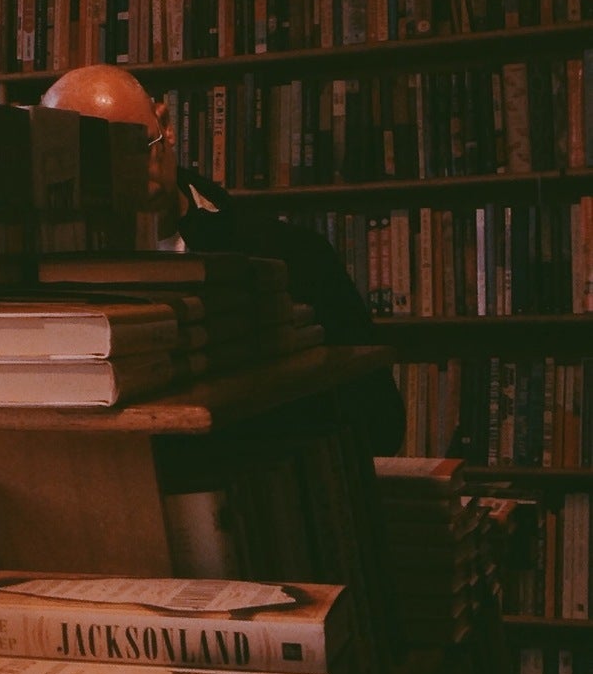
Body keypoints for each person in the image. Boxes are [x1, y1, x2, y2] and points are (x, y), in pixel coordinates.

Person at [39, 64, 404, 453]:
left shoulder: (285, 256)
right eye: (97, 164)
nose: (123, 176)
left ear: (165, 124)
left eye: (135, 148)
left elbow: (379, 420)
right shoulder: (46, 273)